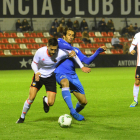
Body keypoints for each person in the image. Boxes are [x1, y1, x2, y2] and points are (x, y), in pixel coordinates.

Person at [16, 38, 90, 123]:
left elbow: (74, 55)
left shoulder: (61, 53)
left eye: (55, 49)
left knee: (51, 103)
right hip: (39, 76)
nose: (53, 52)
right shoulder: (40, 52)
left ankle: (45, 100)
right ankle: (22, 117)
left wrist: (82, 66)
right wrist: (36, 72)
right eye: (51, 49)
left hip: (50, 77)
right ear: (47, 46)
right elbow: (34, 63)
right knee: (31, 97)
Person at [44, 28, 106, 121]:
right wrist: (72, 49)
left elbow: (87, 61)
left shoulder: (75, 50)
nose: (71, 37)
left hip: (73, 76)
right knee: (65, 83)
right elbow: (59, 44)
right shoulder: (59, 42)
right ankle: (72, 111)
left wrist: (97, 52)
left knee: (83, 102)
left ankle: (74, 113)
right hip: (60, 72)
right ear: (64, 36)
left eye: (72, 35)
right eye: (69, 35)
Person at [129, 32, 140, 107]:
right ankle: (135, 100)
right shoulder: (138, 35)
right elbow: (132, 46)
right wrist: (131, 50)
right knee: (137, 81)